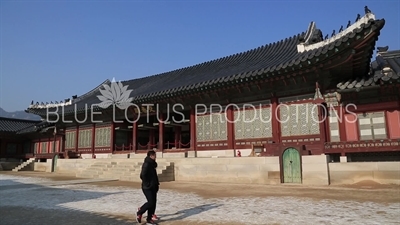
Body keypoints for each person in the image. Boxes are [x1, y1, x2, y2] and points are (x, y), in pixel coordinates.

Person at [136, 150, 160, 225]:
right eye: (154, 155)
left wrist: (156, 184)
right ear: (151, 156)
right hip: (147, 187)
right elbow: (142, 175)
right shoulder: (147, 164)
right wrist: (147, 183)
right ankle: (140, 212)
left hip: (153, 186)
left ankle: (149, 219)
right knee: (150, 202)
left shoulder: (152, 164)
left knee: (153, 203)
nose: (155, 157)